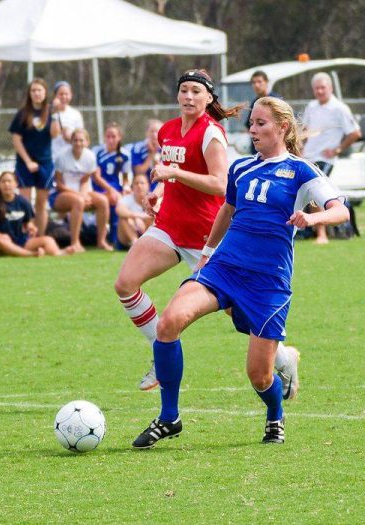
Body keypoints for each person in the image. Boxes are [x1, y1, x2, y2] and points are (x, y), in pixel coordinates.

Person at [132, 97, 350, 449]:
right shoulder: (241, 168)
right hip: (224, 268)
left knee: (259, 376)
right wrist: (206, 253)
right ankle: (169, 416)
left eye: (261, 123)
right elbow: (227, 210)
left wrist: (312, 218)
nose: (252, 130)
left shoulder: (301, 171)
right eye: (251, 123)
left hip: (267, 282)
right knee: (168, 323)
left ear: (282, 127)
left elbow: (341, 211)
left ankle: (275, 413)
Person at [114, 70, 299, 394]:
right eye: (184, 89)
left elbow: (218, 183)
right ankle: (160, 351)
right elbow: (174, 174)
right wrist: (159, 191)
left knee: (239, 312)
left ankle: (285, 359)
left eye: (196, 91)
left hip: (205, 235)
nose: (188, 96)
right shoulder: (168, 130)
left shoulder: (211, 133)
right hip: (169, 227)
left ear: (208, 98)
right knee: (125, 283)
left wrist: (173, 173)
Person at [301, 72, 361, 244]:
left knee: (315, 191)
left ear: (331, 88)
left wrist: (338, 149)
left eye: (323, 88)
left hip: (325, 159)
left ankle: (322, 235)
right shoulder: (311, 106)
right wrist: (299, 146)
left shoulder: (339, 108)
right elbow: (305, 130)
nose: (320, 91)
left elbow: (355, 133)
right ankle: (308, 231)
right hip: (308, 157)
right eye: (316, 88)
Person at [9, 78, 61, 236]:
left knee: (41, 204)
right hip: (25, 163)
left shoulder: (50, 112)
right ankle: (26, 237)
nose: (37, 93)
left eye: (40, 90)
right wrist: (28, 161)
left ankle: (41, 238)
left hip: (44, 163)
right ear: (29, 93)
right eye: (33, 90)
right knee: (25, 202)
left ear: (45, 93)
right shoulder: (23, 114)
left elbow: (55, 134)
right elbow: (16, 140)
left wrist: (55, 115)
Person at [0, 171, 72, 257]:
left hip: (19, 240)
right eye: (3, 182)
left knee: (47, 240)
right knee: (1, 242)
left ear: (16, 184)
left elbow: (29, 222)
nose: (6, 184)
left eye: (9, 181)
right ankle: (31, 254)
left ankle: (58, 253)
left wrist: (32, 228)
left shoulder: (23, 202)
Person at [50, 128, 111, 251]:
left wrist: (83, 194)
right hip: (60, 194)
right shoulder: (62, 157)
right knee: (78, 201)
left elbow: (84, 181)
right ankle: (75, 243)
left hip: (81, 193)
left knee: (103, 201)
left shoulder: (90, 156)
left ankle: (101, 241)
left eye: (81, 140)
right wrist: (80, 195)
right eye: (75, 140)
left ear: (87, 142)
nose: (78, 143)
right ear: (71, 142)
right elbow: (59, 184)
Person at [93, 122, 132, 246]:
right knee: (116, 199)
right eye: (108, 136)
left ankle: (117, 239)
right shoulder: (97, 152)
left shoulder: (125, 154)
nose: (110, 140)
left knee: (121, 200)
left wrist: (126, 187)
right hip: (99, 188)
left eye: (113, 136)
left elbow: (125, 178)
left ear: (119, 137)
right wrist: (111, 190)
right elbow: (96, 177)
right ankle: (107, 239)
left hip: (115, 188)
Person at [245, 71, 282, 154]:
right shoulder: (255, 103)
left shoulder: (276, 100)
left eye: (259, 82)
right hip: (257, 152)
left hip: (273, 152)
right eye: (254, 82)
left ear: (266, 82)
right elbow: (248, 125)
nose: (256, 85)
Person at [114, 173, 153, 249]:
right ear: (132, 186)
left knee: (155, 218)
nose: (139, 186)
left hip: (146, 230)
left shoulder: (153, 198)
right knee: (123, 218)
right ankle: (135, 243)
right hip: (127, 237)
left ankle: (149, 243)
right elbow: (119, 210)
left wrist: (143, 218)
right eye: (136, 183)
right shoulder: (127, 199)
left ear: (148, 186)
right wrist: (136, 217)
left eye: (142, 183)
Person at [50, 81, 85, 158]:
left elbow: (81, 137)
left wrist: (71, 137)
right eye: (61, 94)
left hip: (71, 157)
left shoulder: (76, 114)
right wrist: (54, 111)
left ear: (71, 95)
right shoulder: (48, 112)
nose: (64, 97)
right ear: (55, 96)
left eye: (66, 94)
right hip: (53, 156)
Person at [130, 119, 163, 189]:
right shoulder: (137, 148)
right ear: (146, 133)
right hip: (142, 187)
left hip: (160, 186)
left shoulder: (166, 148)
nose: (154, 134)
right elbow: (138, 172)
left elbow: (162, 175)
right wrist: (151, 154)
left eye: (157, 131)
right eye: (152, 131)